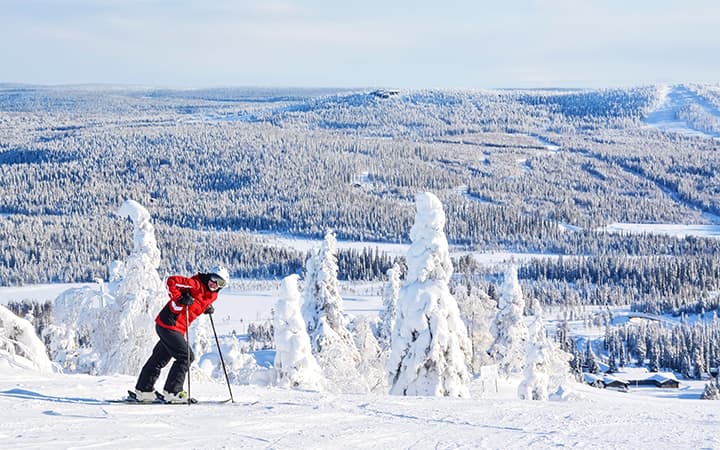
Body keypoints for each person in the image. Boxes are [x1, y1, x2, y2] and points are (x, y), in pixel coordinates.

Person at [131, 265, 230, 403]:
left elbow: (198, 301)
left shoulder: (211, 295)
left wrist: (205, 307)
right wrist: (178, 298)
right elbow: (171, 281)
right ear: (209, 276)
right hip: (169, 325)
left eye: (220, 283)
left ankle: (144, 390)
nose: (214, 284)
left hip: (171, 326)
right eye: (213, 278)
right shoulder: (195, 284)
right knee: (186, 356)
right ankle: (173, 392)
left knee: (159, 359)